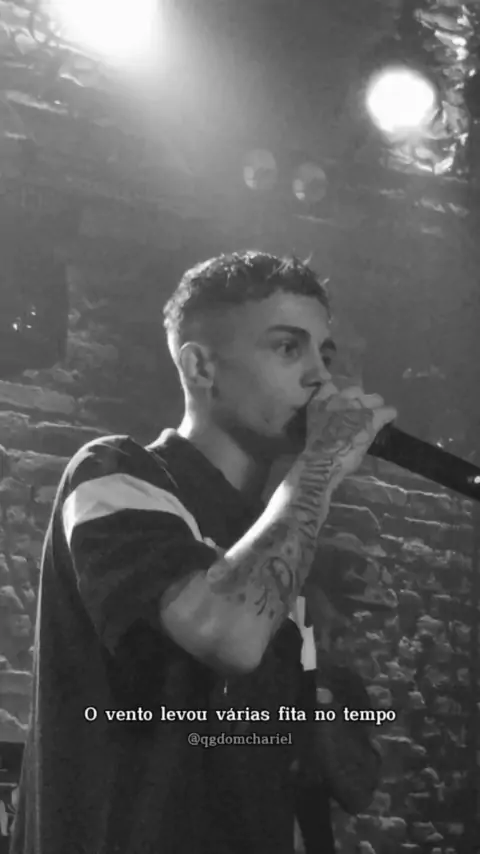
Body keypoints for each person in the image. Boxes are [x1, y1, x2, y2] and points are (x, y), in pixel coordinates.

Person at [10, 250, 397, 854]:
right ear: (201, 367)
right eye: (288, 348)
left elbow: (346, 776)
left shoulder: (281, 538)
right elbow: (227, 635)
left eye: (325, 354)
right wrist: (320, 463)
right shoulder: (116, 472)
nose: (320, 378)